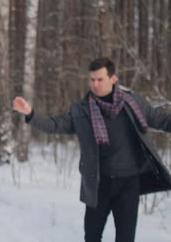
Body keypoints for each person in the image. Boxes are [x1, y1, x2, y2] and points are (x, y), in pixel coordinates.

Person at [13, 58, 171, 242]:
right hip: (99, 184)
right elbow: (55, 125)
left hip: (129, 184)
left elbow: (160, 120)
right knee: (92, 237)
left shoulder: (133, 103)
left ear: (113, 79)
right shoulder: (82, 111)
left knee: (126, 238)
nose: (95, 84)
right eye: (92, 80)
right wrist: (31, 114)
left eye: (100, 79)